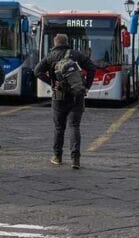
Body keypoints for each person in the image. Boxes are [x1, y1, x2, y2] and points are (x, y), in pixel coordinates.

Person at [34, 33, 96, 169]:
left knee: (59, 127)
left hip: (58, 94)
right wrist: (86, 87)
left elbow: (37, 71)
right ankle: (75, 160)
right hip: (77, 94)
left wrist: (52, 83)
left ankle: (57, 156)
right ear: (67, 42)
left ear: (55, 44)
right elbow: (92, 68)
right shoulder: (77, 54)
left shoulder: (50, 56)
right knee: (74, 126)